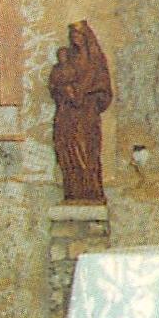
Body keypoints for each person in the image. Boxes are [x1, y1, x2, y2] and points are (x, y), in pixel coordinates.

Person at [48, 21, 113, 203]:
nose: (74, 39)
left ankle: (91, 191)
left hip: (87, 114)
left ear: (86, 37)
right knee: (68, 150)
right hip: (68, 113)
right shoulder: (67, 60)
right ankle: (73, 191)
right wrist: (65, 91)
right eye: (72, 36)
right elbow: (55, 84)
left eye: (78, 35)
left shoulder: (96, 62)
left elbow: (104, 89)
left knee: (87, 150)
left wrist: (86, 95)